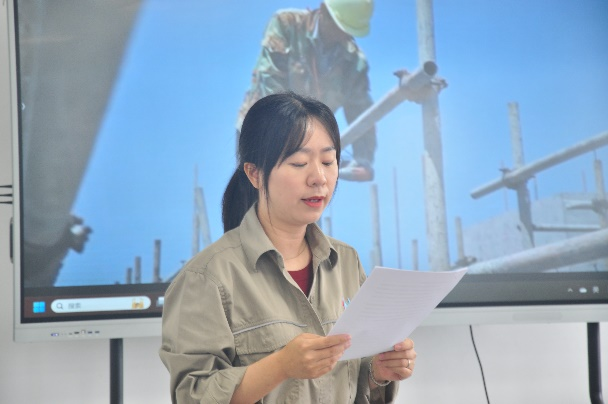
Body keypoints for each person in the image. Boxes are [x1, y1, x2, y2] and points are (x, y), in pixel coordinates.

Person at [159, 92, 416, 403]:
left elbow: (350, 381)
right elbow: (193, 395)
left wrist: (377, 373)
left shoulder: (345, 261)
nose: (319, 178)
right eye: (299, 163)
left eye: (328, 161)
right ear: (254, 173)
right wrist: (280, 366)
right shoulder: (206, 278)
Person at [236, 0, 377, 182]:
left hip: (308, 142)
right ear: (324, 11)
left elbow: (360, 110)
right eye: (338, 28)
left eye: (348, 32)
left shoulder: (353, 62)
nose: (341, 37)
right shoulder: (286, 25)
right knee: (261, 192)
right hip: (262, 132)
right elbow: (271, 86)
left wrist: (363, 157)